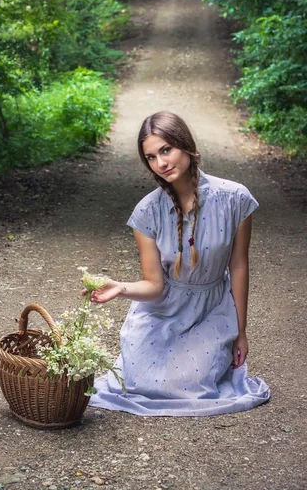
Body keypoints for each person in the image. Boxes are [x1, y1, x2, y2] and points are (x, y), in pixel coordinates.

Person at [87, 111, 270, 416]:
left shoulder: (235, 198)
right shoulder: (147, 212)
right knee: (138, 380)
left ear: (185, 144)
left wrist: (241, 332)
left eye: (166, 150)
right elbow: (154, 286)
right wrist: (119, 287)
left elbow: (238, 267)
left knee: (193, 384)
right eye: (151, 157)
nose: (160, 162)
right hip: (162, 312)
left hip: (211, 311)